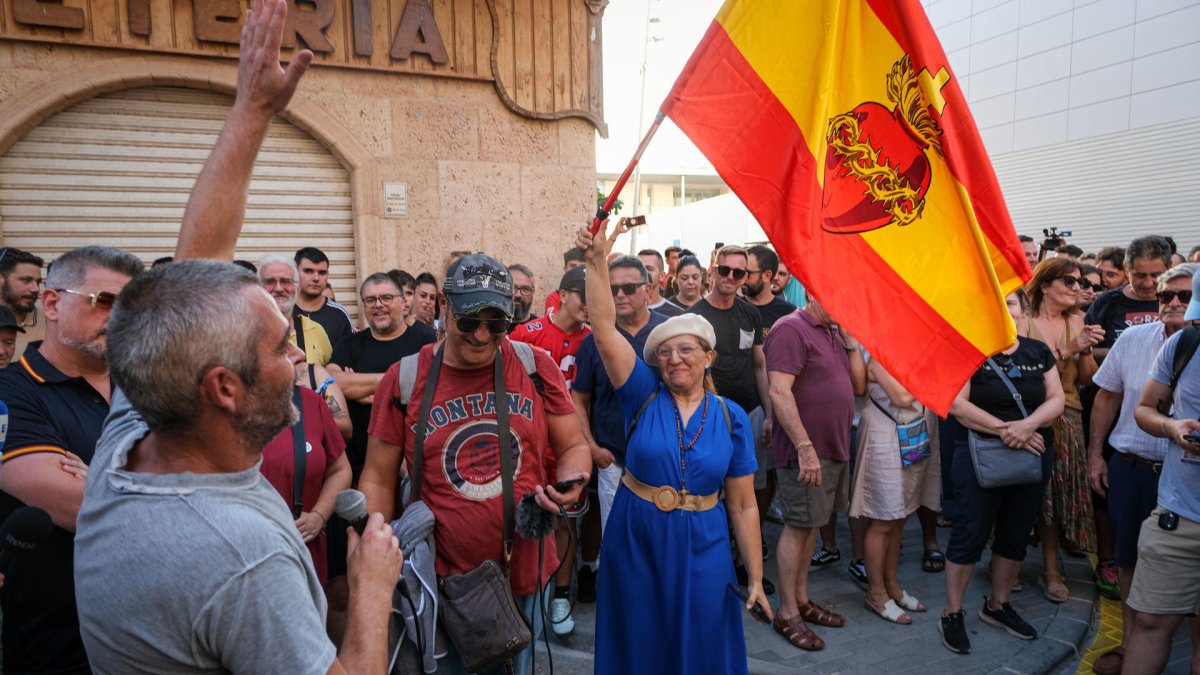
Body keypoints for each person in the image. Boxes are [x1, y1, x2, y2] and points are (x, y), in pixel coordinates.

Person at [75, 5, 403, 669]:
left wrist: (252, 111)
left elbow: (197, 259)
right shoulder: (240, 557)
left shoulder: (141, 429)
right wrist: (371, 590)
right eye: (281, 346)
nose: (302, 360)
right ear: (222, 387)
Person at [360, 252, 591, 674]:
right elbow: (376, 477)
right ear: (445, 308)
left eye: (497, 324)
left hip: (522, 570)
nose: (483, 336)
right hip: (441, 580)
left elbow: (573, 443)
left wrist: (572, 480)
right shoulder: (405, 377)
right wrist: (376, 556)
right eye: (469, 322)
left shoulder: (534, 365)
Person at [577, 221, 770, 674]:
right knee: (639, 639)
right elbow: (604, 327)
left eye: (686, 350)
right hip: (636, 538)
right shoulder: (641, 392)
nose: (675, 359)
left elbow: (743, 507)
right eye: (664, 353)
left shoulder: (731, 418)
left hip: (705, 543)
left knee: (702, 636)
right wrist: (595, 262)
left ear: (708, 357)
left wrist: (757, 579)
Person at [0, 245, 143, 675]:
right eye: (105, 302)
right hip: (60, 642)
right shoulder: (12, 393)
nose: (120, 319)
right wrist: (159, 481)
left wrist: (100, 477)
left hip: (157, 634)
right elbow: (84, 511)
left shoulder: (148, 391)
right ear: (52, 302)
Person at [938, 291, 1065, 655]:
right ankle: (952, 613)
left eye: (1010, 303)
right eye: (994, 303)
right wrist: (1010, 431)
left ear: (1023, 310)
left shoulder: (1037, 351)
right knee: (969, 533)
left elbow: (1055, 398)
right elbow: (959, 406)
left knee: (1015, 532)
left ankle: (997, 605)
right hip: (978, 456)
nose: (1003, 310)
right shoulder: (966, 351)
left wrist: (1028, 427)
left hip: (1033, 453)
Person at [1086, 263, 1198, 675]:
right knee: (1132, 571)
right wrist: (1095, 456)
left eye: (1184, 296)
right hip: (1134, 472)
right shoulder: (1134, 339)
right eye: (1166, 295)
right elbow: (1106, 400)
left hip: (1184, 485)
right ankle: (1131, 646)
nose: (1172, 302)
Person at [766, 297, 866, 651]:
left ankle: (803, 600)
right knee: (798, 527)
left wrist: (852, 341)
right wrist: (804, 448)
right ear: (811, 292)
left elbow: (858, 386)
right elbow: (779, 391)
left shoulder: (834, 331)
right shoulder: (791, 328)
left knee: (811, 526)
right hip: (807, 451)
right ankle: (787, 612)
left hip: (832, 447)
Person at [572, 253, 670, 607]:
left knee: (662, 535)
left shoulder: (668, 333)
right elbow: (578, 398)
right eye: (612, 289)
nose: (621, 295)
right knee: (617, 534)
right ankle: (622, 597)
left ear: (648, 289)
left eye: (629, 287)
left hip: (666, 461)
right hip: (614, 458)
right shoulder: (594, 342)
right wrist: (591, 446)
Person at [509, 266, 591, 636]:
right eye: (583, 297)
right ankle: (520, 587)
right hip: (527, 441)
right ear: (563, 295)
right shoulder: (529, 333)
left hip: (567, 442)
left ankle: (559, 594)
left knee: (564, 518)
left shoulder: (593, 339)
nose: (589, 305)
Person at [1125, 268, 1200, 675]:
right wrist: (1172, 426)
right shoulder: (1185, 344)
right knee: (1150, 622)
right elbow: (1144, 409)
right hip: (1178, 515)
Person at [1022, 257, 1104, 602]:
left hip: (1068, 416)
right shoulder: (1023, 324)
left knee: (1056, 499)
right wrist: (1069, 348)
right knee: (1027, 496)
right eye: (1069, 282)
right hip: (1031, 418)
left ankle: (1052, 569)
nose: (1078, 289)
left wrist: (1084, 350)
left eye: (1080, 282)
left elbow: (1087, 378)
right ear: (1044, 286)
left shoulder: (1079, 321)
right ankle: (1008, 562)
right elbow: (1024, 374)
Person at [851, 358, 940, 624]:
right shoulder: (880, 358)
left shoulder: (914, 351)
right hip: (885, 435)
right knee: (883, 518)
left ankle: (892, 587)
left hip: (914, 433)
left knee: (900, 516)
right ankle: (876, 593)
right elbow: (902, 397)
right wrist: (929, 378)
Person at [260, 371, 353, 586]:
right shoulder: (219, 410)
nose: (299, 353)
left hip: (304, 553)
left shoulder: (310, 402)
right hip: (248, 555)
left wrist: (319, 516)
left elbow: (340, 470)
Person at [1086, 235, 1172, 364]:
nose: (1148, 283)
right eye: (1140, 275)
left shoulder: (1180, 301)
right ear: (1127, 271)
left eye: (1156, 275)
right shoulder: (1107, 302)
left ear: (1169, 268)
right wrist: (1121, 352)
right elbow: (1083, 348)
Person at [260, 253, 334, 366]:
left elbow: (328, 378)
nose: (279, 288)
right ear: (258, 287)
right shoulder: (243, 333)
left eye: (286, 281)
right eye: (270, 281)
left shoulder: (316, 330)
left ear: (297, 287)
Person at [294, 246, 354, 348]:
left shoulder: (339, 314)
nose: (316, 278)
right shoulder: (281, 311)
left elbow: (350, 355)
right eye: (308, 271)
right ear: (294, 272)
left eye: (322, 272)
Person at [0, 246, 45, 354]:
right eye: (26, 280)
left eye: (38, 282)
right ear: (1, 280)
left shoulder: (51, 325)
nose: (36, 289)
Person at [638, 249, 684, 317]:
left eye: (649, 269)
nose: (644, 273)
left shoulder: (678, 315)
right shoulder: (623, 311)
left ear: (662, 276)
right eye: (639, 269)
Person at [545, 247, 587, 319]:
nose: (577, 270)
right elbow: (554, 323)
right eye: (573, 266)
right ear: (565, 269)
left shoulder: (593, 298)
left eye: (582, 267)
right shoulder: (554, 297)